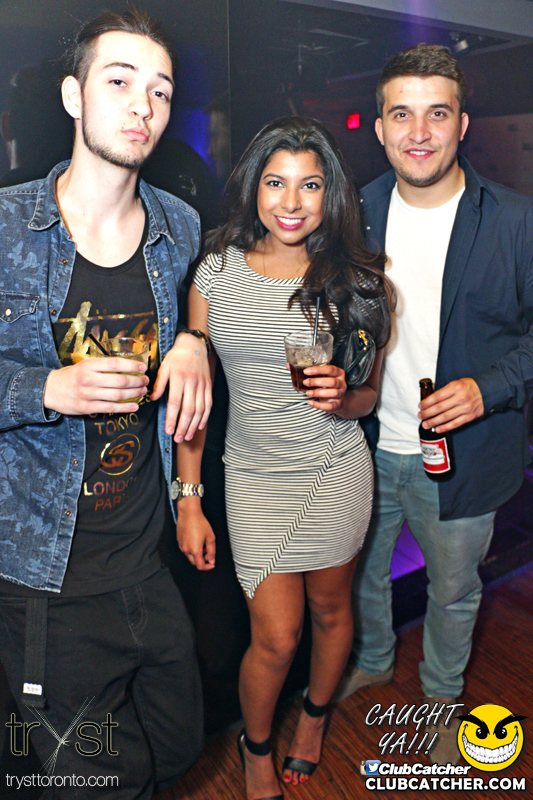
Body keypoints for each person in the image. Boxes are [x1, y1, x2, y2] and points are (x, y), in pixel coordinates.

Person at [0, 10, 212, 798]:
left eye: (159, 91)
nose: (141, 106)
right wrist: (44, 388)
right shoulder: (6, 225)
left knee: (178, 746)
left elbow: (205, 308)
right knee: (91, 781)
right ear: (73, 96)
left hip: (144, 558)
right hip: (44, 576)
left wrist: (192, 338)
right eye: (119, 82)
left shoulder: (179, 226)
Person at [177, 116, 393, 800]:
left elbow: (368, 399)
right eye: (275, 183)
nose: (291, 202)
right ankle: (256, 744)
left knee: (330, 612)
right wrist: (189, 500)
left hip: (333, 468)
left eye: (310, 185)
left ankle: (316, 716)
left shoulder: (357, 281)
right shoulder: (213, 275)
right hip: (253, 476)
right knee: (275, 638)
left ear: (332, 194)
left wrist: (344, 397)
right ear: (253, 187)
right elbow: (192, 399)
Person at [334, 44, 533, 765]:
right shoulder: (353, 214)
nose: (418, 132)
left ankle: (442, 699)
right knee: (362, 574)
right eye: (401, 114)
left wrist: (489, 387)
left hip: (465, 455)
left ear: (462, 125)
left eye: (437, 114)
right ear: (380, 128)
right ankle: (374, 660)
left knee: (451, 591)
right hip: (361, 447)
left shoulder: (514, 221)